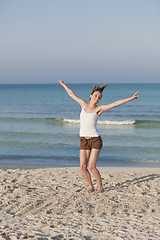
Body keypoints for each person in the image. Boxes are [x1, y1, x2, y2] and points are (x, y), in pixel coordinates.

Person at [59, 80, 139, 193]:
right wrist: (64, 85)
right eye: (96, 95)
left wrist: (131, 98)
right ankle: (91, 186)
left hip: (95, 140)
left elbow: (115, 104)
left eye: (99, 97)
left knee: (91, 166)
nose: (97, 98)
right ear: (91, 96)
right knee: (82, 166)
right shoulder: (83, 104)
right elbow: (72, 94)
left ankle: (100, 187)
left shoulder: (99, 109)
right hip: (83, 139)